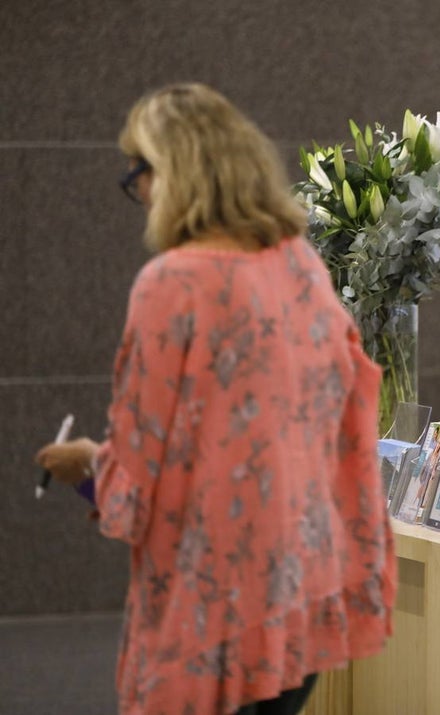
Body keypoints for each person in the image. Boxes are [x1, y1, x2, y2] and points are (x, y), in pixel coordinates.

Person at [33, 83, 396, 715]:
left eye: (138, 170)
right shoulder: (300, 266)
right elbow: (344, 413)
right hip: (300, 587)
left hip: (215, 601)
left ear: (178, 173)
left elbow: (141, 469)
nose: (136, 189)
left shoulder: (173, 283)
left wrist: (88, 464)